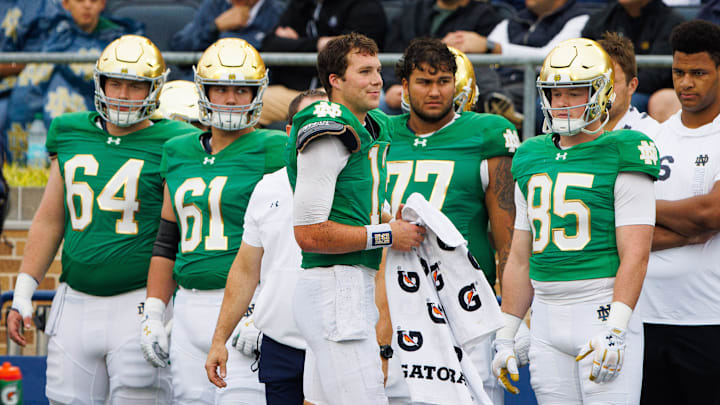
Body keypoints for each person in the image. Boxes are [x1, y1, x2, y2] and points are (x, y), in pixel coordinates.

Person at [7, 34, 196, 404]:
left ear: (155, 90)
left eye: (135, 86)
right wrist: (23, 293)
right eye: (116, 83)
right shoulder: (70, 130)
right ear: (100, 83)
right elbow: (49, 218)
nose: (123, 94)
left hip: (140, 301)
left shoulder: (178, 140)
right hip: (74, 301)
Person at [491, 38, 660, 404]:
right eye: (555, 94)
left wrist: (616, 328)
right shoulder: (530, 154)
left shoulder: (625, 149)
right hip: (547, 317)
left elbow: (636, 254)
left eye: (574, 92)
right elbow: (520, 256)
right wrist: (507, 332)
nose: (562, 103)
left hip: (600, 309)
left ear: (600, 93)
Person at [140, 37, 286, 404]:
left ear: (258, 93)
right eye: (221, 89)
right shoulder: (177, 150)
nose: (231, 99)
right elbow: (166, 241)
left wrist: (261, 309)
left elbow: (286, 242)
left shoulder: (273, 148)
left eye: (242, 90)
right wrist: (154, 313)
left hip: (243, 304)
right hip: (188, 304)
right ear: (202, 91)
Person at [284, 32, 425, 404]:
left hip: (344, 286)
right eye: (364, 71)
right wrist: (386, 234)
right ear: (335, 80)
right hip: (335, 286)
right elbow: (310, 234)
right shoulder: (329, 131)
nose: (377, 79)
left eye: (378, 70)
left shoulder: (364, 122)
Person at [384, 39, 520, 403]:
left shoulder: (486, 132)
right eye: (424, 82)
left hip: (464, 303)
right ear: (405, 86)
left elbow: (508, 238)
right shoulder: (380, 132)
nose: (434, 91)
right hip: (395, 301)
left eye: (443, 81)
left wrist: (511, 315)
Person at [205, 88, 327, 405]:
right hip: (280, 344)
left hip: (336, 343)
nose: (317, 129)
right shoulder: (267, 186)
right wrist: (220, 339)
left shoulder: (360, 182)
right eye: (307, 121)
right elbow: (246, 269)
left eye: (326, 120)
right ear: (289, 132)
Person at [634, 20, 720, 405]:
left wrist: (643, 211)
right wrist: (688, 230)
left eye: (698, 73)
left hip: (709, 317)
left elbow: (711, 213)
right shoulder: (651, 137)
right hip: (645, 316)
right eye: (678, 72)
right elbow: (623, 227)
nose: (686, 83)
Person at [2, 0, 143, 162]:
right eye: (80, 1)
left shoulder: (120, 37)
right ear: (66, 4)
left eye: (94, 1)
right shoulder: (50, 32)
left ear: (103, 4)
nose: (87, 5)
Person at [381, 0, 520, 126]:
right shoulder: (411, 11)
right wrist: (392, 86)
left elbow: (488, 64)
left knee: (467, 62)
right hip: (407, 86)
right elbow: (391, 55)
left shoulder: (486, 15)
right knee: (379, 103)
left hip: (457, 90)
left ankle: (495, 102)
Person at [258, 0, 387, 126]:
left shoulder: (364, 6)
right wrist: (318, 44)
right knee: (252, 104)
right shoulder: (300, 4)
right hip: (289, 93)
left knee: (329, 108)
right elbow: (269, 45)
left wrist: (296, 47)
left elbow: (352, 60)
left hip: (332, 91)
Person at [581, 0, 685, 122]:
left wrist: (621, 86)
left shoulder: (671, 21)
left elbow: (657, 75)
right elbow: (583, 60)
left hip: (646, 92)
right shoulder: (601, 19)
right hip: (604, 87)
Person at [598, 32, 660, 135]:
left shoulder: (652, 134)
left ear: (632, 86)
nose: (602, 90)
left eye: (611, 82)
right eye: (598, 82)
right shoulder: (571, 129)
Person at [170, 0, 281, 52]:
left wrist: (225, 37)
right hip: (208, 80)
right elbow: (180, 46)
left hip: (257, 84)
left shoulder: (277, 11)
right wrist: (215, 27)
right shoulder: (213, 5)